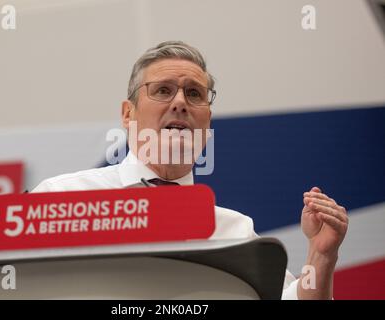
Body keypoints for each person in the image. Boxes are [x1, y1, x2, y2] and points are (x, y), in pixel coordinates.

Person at [32, 41, 348, 300]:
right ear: (128, 114)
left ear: (207, 123)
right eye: (163, 90)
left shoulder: (237, 234)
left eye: (194, 93)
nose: (180, 102)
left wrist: (321, 256)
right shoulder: (61, 198)